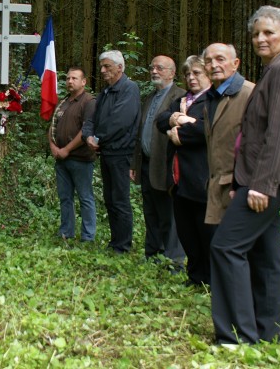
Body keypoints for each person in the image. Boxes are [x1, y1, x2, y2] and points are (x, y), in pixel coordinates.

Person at [211, 6, 280, 344]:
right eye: (256, 33)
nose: (260, 38)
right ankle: (267, 332)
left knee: (226, 247)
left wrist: (261, 185)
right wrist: (242, 182)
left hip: (273, 178)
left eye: (269, 32)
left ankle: (239, 334)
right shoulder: (273, 72)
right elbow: (253, 137)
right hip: (259, 179)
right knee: (265, 252)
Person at [156, 55, 214, 286]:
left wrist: (181, 129)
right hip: (178, 179)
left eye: (197, 73)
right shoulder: (181, 99)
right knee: (187, 232)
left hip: (201, 177)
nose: (191, 78)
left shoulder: (213, 100)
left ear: (208, 75)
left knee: (204, 231)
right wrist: (175, 117)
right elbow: (160, 121)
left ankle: (210, 278)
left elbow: (206, 130)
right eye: (188, 74)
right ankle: (195, 276)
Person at [82, 50, 141, 254]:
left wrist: (97, 138)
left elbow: (119, 122)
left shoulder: (129, 89)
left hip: (121, 153)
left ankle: (123, 245)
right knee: (109, 199)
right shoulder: (105, 92)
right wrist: (87, 136)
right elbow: (92, 118)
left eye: (107, 66)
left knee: (120, 200)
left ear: (120, 68)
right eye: (102, 66)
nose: (102, 70)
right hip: (106, 153)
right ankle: (115, 241)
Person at [132, 56, 186, 266]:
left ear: (172, 73)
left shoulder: (180, 97)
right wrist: (134, 165)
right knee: (151, 212)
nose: (154, 71)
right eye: (152, 67)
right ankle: (152, 253)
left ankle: (174, 260)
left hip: (166, 167)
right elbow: (141, 133)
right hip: (146, 164)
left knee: (169, 216)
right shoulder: (150, 98)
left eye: (160, 68)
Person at [202, 43, 255, 225]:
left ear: (236, 63)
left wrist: (244, 186)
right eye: (208, 61)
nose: (214, 65)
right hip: (217, 186)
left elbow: (260, 145)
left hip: (240, 188)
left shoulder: (250, 94)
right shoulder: (211, 98)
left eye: (220, 59)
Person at [48, 67, 97, 242]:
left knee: (85, 197)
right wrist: (53, 146)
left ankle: (88, 236)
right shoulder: (64, 102)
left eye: (74, 78)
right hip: (61, 160)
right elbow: (52, 125)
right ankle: (66, 232)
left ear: (83, 82)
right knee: (65, 198)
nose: (70, 81)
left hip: (81, 159)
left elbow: (87, 129)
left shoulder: (89, 101)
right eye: (68, 78)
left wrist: (67, 149)